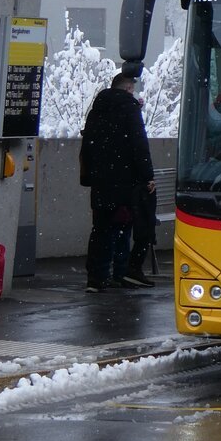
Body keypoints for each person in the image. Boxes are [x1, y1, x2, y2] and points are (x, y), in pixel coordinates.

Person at [80, 73, 156, 291]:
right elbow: (139, 145)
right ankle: (121, 272)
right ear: (129, 89)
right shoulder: (130, 109)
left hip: (101, 181)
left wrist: (90, 176)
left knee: (101, 228)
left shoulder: (97, 109)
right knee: (123, 225)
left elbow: (88, 145)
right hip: (125, 181)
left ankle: (96, 277)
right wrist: (147, 176)